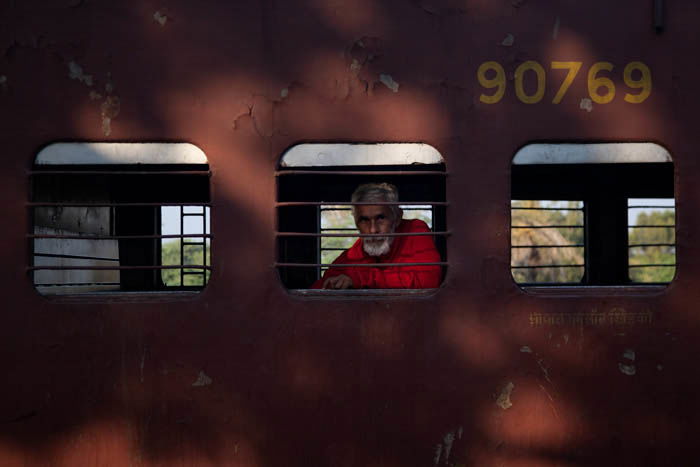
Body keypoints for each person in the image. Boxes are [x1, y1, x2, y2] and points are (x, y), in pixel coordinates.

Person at [311, 183, 441, 289]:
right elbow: (318, 290)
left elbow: (429, 280)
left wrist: (361, 278)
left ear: (397, 218)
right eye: (364, 220)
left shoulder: (415, 230)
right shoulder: (353, 255)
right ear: (356, 222)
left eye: (380, 218)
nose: (372, 230)